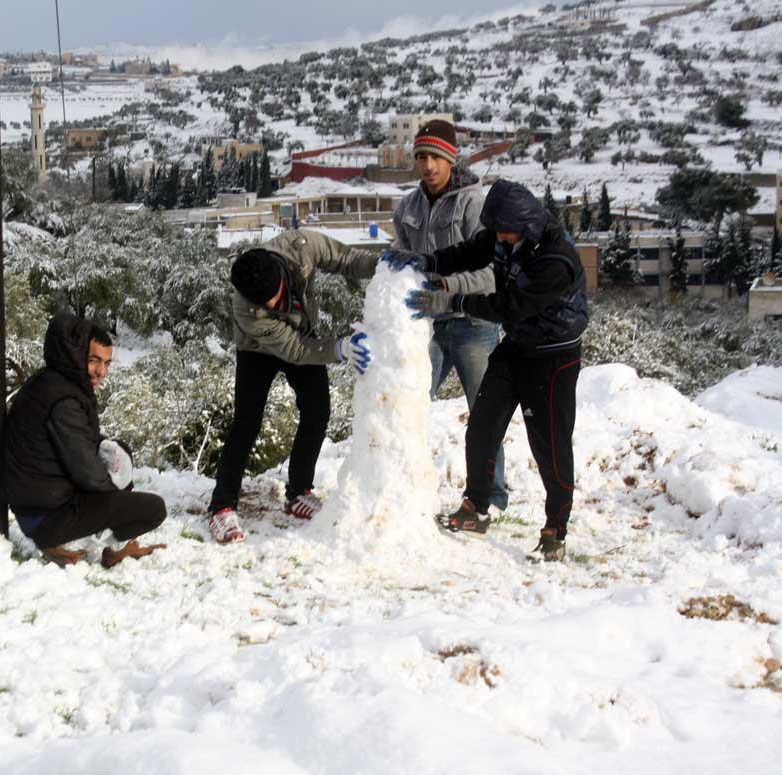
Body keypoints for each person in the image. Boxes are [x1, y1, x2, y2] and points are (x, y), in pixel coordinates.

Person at [405, 179, 588, 561]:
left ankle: (556, 528)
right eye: (498, 231)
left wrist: (450, 300)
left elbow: (510, 306)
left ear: (526, 225)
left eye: (506, 232)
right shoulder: (505, 235)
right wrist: (430, 262)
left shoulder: (556, 260)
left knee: (550, 443)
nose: (500, 238)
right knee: (483, 425)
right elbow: (471, 251)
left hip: (553, 355)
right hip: (517, 346)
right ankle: (476, 507)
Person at [207, 230, 376, 545]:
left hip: (303, 332)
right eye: (264, 302)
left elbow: (347, 259)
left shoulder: (301, 247)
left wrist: (384, 266)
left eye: (274, 294)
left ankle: (298, 492)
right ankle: (222, 505)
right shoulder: (246, 307)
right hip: (258, 349)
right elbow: (294, 349)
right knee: (246, 423)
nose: (273, 303)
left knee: (317, 412)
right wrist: (339, 348)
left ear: (282, 272)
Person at [389, 119, 508, 512]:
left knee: (484, 413)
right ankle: (403, 488)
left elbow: (494, 274)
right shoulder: (406, 207)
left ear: (451, 158)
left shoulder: (476, 205)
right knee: (409, 403)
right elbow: (406, 267)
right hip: (427, 326)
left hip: (474, 323)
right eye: (421, 156)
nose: (428, 166)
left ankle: (490, 495)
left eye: (436, 157)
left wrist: (448, 293)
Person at [4, 313, 168, 568]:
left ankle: (117, 545)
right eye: (94, 361)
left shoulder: (53, 383)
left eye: (107, 363)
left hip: (39, 508)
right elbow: (89, 474)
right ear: (76, 356)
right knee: (153, 509)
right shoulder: (64, 401)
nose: (101, 371)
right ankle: (71, 544)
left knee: (116, 453)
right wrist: (119, 489)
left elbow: (84, 444)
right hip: (47, 517)